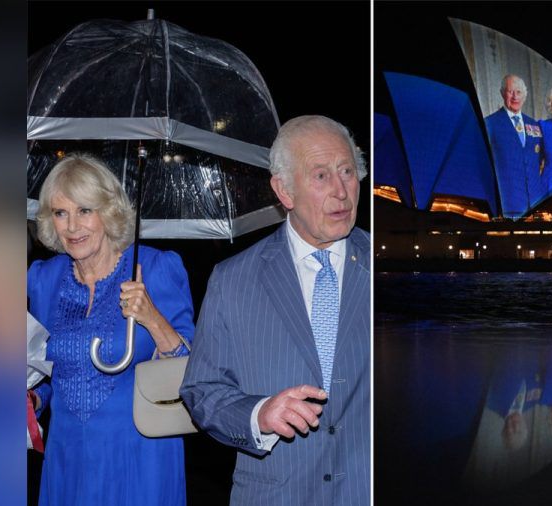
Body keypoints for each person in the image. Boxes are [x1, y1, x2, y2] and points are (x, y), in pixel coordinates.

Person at [181, 115, 370, 505]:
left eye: (348, 171)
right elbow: (202, 390)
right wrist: (258, 415)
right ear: (284, 191)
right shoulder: (232, 279)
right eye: (321, 176)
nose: (341, 191)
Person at [27, 153, 194, 505]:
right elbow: (46, 372)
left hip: (140, 459)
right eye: (61, 213)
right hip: (67, 459)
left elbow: (194, 371)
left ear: (109, 211)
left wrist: (152, 317)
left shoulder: (154, 267)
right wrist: (32, 398)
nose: (72, 226)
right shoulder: (42, 279)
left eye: (85, 210)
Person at [483, 74, 544, 218]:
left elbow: (541, 160)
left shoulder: (534, 125)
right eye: (511, 92)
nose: (515, 97)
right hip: (506, 207)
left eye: (519, 92)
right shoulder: (490, 123)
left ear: (525, 95)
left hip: (535, 207)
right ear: (502, 93)